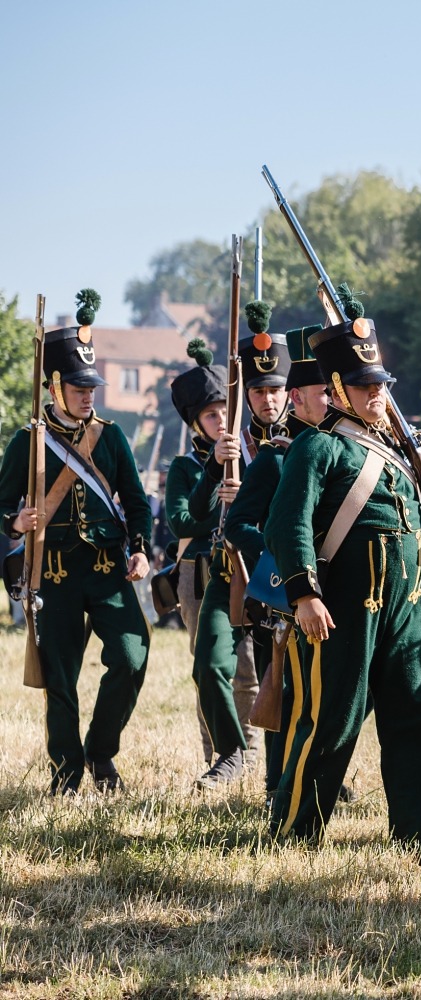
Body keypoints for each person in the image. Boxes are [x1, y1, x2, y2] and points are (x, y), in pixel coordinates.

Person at [262, 288, 421, 854]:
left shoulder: (404, 450)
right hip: (344, 608)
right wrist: (303, 593)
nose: (379, 396)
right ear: (340, 391)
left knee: (417, 719)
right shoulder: (318, 449)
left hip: (410, 609)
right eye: (368, 388)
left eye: (382, 387)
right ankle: (293, 836)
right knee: (331, 723)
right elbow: (287, 524)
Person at [0, 289, 153, 794]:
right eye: (80, 386)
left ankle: (100, 752)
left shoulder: (109, 437)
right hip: (54, 572)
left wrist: (140, 547)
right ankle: (65, 775)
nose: (90, 394)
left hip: (108, 569)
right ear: (56, 385)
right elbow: (1, 506)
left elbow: (134, 501)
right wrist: (15, 523)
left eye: (93, 386)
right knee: (60, 681)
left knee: (132, 656)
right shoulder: (28, 440)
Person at [215, 321, 327, 799]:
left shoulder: (341, 452)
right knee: (280, 691)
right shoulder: (276, 457)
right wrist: (274, 560)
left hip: (331, 590)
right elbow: (236, 524)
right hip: (280, 590)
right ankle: (276, 785)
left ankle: (317, 771)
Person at [162, 335, 247, 779]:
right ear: (196, 423)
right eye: (210, 415)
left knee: (249, 671)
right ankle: (217, 752)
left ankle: (249, 753)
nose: (219, 421)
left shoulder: (250, 455)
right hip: (199, 571)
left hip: (247, 569)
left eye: (223, 413)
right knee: (207, 665)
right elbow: (179, 522)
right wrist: (219, 500)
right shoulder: (184, 466)